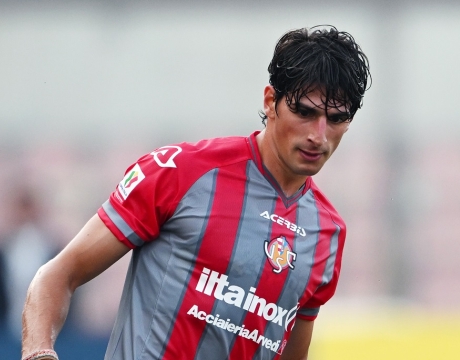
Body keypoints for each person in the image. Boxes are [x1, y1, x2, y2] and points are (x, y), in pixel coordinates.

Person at [21, 25, 371, 360]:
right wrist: (40, 354)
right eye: (305, 112)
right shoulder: (181, 173)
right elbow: (57, 275)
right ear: (270, 101)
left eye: (336, 118)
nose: (319, 135)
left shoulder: (328, 234)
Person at [0, 187, 59, 339]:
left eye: (29, 208)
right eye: (21, 209)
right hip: (3, 337)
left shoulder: (54, 252)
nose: (26, 215)